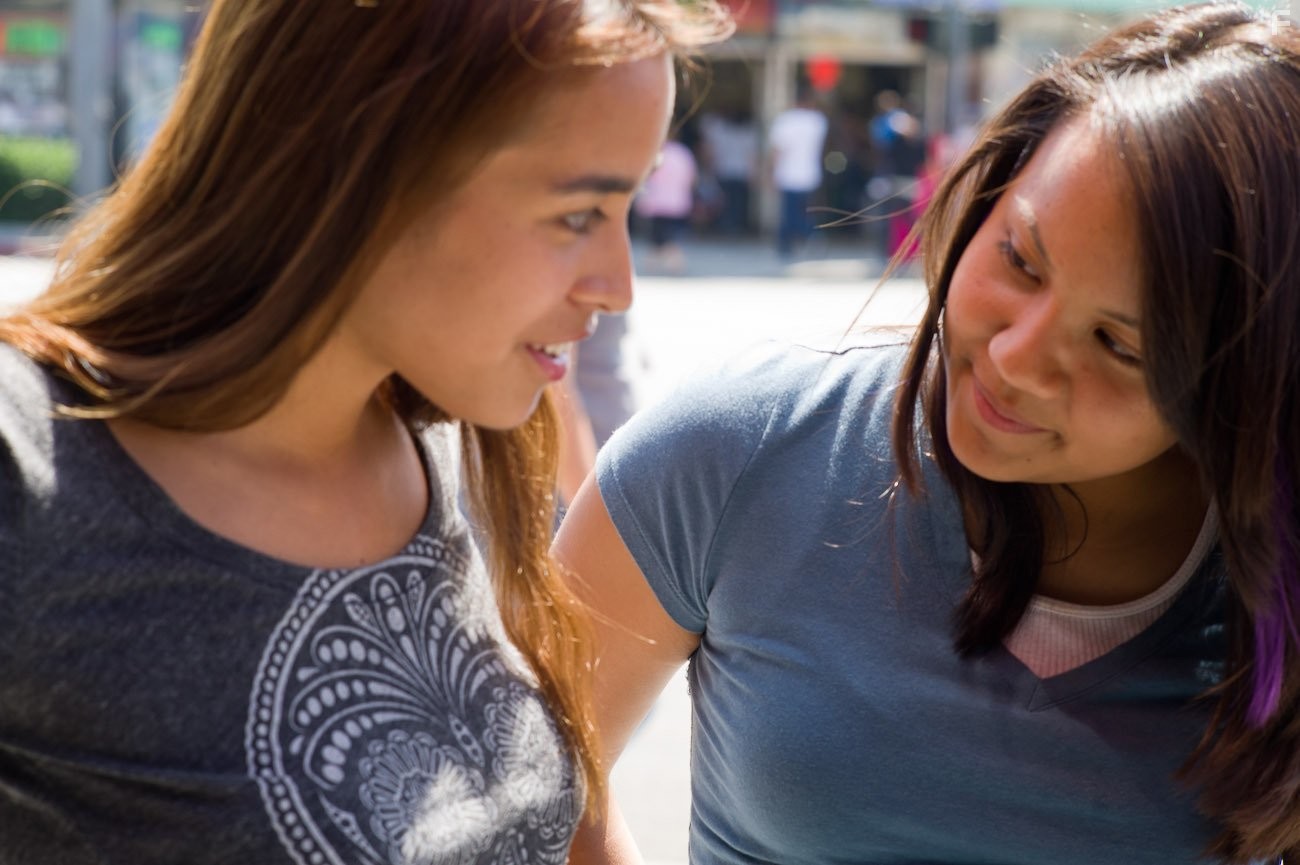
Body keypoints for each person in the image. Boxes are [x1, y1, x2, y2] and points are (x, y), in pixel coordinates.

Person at [557, 3, 1300, 863]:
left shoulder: (1259, 583)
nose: (1018, 356)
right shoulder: (736, 448)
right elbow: (527, 777)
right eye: (1020, 258)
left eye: (1118, 343)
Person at [0, 1, 729, 862]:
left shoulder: (456, 426)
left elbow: (572, 819)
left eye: (628, 211)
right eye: (579, 215)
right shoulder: (28, 465)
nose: (618, 285)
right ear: (357, 166)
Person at [767, 87, 828, 258]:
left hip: (788, 174)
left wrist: (771, 171)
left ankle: (795, 241)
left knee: (789, 212)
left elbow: (777, 150)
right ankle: (809, 236)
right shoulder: (818, 121)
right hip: (810, 174)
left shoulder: (785, 120)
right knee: (805, 210)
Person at [633, 135, 698, 274]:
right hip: (678, 203)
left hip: (658, 204)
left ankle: (658, 265)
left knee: (658, 237)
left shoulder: (657, 154)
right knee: (670, 236)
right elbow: (692, 178)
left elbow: (646, 180)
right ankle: (670, 264)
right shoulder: (683, 153)